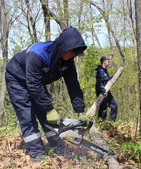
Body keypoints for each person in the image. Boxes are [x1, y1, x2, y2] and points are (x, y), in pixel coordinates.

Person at [5, 26, 90, 162]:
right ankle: (37, 153)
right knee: (27, 115)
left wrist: (80, 111)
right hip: (17, 79)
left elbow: (73, 85)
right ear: (64, 48)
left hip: (35, 82)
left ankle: (58, 147)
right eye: (73, 51)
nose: (74, 55)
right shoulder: (37, 54)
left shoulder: (67, 62)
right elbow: (33, 85)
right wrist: (50, 109)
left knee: (46, 116)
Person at [95, 56, 118, 121]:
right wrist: (103, 91)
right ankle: (101, 123)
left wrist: (113, 77)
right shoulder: (100, 71)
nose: (109, 62)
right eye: (108, 61)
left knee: (114, 105)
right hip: (102, 92)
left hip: (107, 91)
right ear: (104, 62)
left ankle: (111, 121)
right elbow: (99, 82)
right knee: (103, 108)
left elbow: (106, 80)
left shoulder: (104, 70)